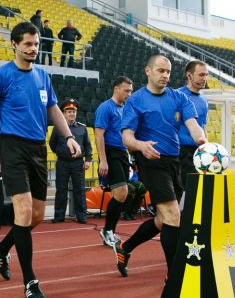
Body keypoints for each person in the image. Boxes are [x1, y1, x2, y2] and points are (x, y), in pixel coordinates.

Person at [0, 21, 81, 298]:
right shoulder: (2, 76)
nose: (33, 49)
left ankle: (1, 249)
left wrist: (69, 136)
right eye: (27, 44)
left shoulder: (43, 76)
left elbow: (53, 109)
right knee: (22, 213)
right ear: (14, 44)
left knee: (35, 216)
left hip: (37, 149)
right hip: (11, 147)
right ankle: (30, 281)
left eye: (36, 44)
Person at [114, 55, 206, 278]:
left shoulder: (178, 98)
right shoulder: (135, 100)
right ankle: (175, 277)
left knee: (164, 219)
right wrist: (140, 145)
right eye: (160, 71)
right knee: (173, 214)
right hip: (150, 160)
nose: (165, 75)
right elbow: (126, 136)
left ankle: (125, 248)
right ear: (148, 71)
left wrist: (203, 141)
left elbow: (193, 125)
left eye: (168, 72)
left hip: (175, 162)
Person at [94, 76, 133, 246]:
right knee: (121, 191)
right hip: (110, 152)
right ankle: (107, 231)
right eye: (126, 90)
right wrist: (103, 160)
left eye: (131, 91)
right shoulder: (105, 107)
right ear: (116, 89)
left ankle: (109, 231)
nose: (129, 94)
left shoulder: (126, 109)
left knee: (123, 194)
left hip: (123, 153)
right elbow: (98, 134)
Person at [49, 98, 92, 223]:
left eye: (73, 111)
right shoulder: (58, 128)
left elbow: (88, 146)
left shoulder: (82, 128)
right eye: (69, 111)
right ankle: (59, 216)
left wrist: (88, 159)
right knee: (61, 190)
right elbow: (52, 144)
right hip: (62, 163)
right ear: (64, 113)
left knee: (80, 190)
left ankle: (81, 216)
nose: (72, 113)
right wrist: (61, 152)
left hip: (78, 163)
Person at [178, 60, 209, 187]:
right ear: (189, 75)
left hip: (199, 150)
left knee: (199, 189)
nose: (205, 78)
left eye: (206, 75)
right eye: (201, 75)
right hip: (181, 150)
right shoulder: (177, 95)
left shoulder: (204, 99)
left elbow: (202, 125)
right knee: (184, 189)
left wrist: (207, 146)